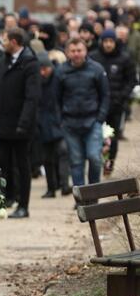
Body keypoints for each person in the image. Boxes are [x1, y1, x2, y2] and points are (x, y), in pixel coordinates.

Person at [0, 28, 40, 218]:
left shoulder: (30, 64)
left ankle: (23, 205)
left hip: (21, 125)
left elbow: (31, 97)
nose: (2, 43)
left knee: (22, 166)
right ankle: (0, 201)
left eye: (5, 40)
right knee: (1, 165)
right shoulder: (4, 61)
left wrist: (24, 123)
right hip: (2, 124)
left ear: (15, 42)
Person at [56, 37, 110, 187]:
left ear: (85, 51)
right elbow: (56, 98)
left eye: (79, 50)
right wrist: (61, 120)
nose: (76, 54)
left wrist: (100, 118)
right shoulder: (61, 71)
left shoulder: (97, 69)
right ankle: (81, 198)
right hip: (70, 124)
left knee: (94, 158)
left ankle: (94, 193)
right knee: (76, 161)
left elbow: (105, 95)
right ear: (67, 53)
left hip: (93, 121)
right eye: (72, 51)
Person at [90, 28, 136, 175]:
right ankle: (98, 162)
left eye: (111, 41)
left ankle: (109, 163)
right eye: (105, 42)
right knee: (97, 135)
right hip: (97, 105)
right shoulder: (94, 57)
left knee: (113, 137)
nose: (108, 45)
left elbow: (131, 81)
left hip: (116, 105)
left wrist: (121, 97)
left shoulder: (124, 58)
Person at [36, 52, 69, 198]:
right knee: (47, 159)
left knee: (62, 152)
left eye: (45, 69)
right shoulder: (36, 81)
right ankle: (51, 187)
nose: (43, 72)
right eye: (40, 69)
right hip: (42, 124)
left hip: (58, 122)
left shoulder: (59, 78)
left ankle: (64, 184)